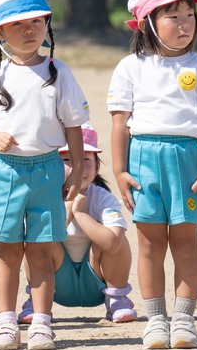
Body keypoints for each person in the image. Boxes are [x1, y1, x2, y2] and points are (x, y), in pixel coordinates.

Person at [0, 0, 88, 350]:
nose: (29, 29)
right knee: (7, 250)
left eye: (37, 21)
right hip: (5, 170)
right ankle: (5, 324)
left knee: (40, 251)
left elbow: (73, 126)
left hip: (49, 168)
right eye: (18, 23)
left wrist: (78, 169)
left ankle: (41, 322)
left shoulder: (58, 72)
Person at [109, 0, 197, 350]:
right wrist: (120, 170)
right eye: (172, 16)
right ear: (147, 23)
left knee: (186, 243)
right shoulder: (130, 68)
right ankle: (155, 319)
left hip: (186, 161)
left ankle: (185, 319)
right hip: (143, 160)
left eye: (189, 14)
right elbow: (120, 125)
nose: (184, 24)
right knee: (149, 244)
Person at [17, 123, 138, 325]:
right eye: (66, 160)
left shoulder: (103, 198)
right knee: (38, 240)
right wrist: (67, 209)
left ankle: (117, 299)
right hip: (55, 282)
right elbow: (43, 235)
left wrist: (80, 214)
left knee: (114, 237)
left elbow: (113, 245)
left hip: (97, 282)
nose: (77, 167)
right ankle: (36, 301)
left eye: (85, 159)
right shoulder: (43, 197)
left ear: (97, 166)